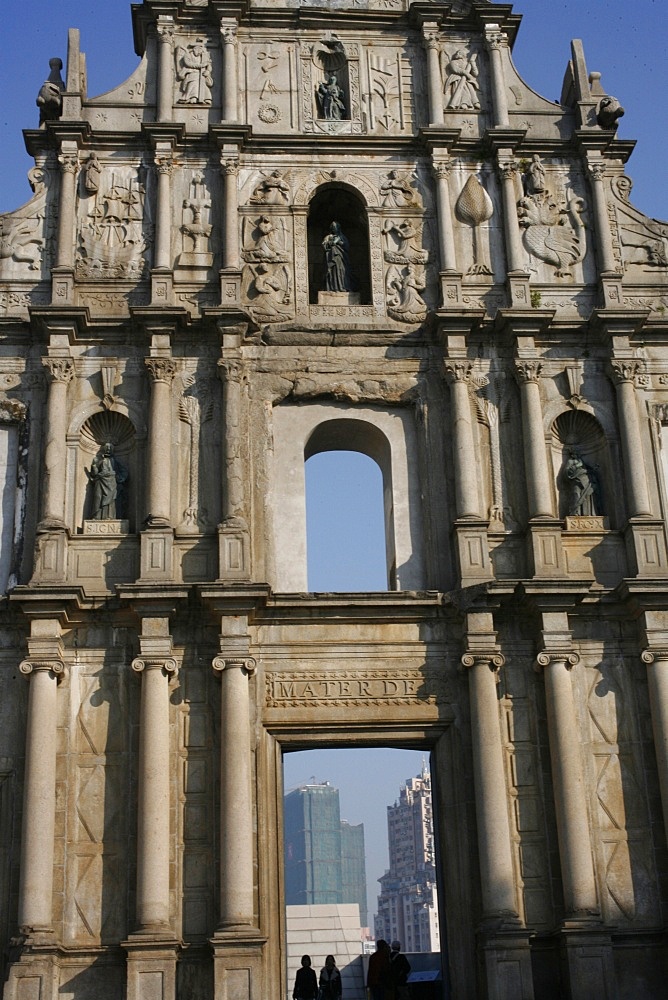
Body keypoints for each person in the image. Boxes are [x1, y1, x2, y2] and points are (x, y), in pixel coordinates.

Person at [87, 442, 127, 520]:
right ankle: (97, 516)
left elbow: (124, 471)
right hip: (100, 481)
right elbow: (94, 474)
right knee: (98, 498)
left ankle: (110, 516)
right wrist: (94, 465)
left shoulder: (115, 462)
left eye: (110, 448)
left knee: (111, 500)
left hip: (112, 482)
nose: (108, 449)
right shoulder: (99, 461)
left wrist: (120, 478)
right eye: (107, 448)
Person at [564, 450, 600, 516]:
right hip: (576, 480)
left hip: (585, 480)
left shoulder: (581, 461)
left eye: (577, 454)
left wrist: (593, 469)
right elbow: (567, 472)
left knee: (587, 495)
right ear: (572, 455)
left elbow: (589, 469)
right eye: (574, 454)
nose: (576, 455)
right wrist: (577, 466)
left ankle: (588, 513)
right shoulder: (570, 461)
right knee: (576, 495)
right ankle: (575, 512)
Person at [322, 221, 352, 292]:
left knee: (342, 271)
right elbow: (324, 245)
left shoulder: (342, 237)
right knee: (332, 271)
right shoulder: (328, 237)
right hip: (331, 257)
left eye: (336, 227)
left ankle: (343, 286)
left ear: (339, 228)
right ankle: (333, 287)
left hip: (341, 257)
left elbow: (347, 247)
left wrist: (339, 242)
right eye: (333, 228)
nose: (334, 229)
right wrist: (329, 243)